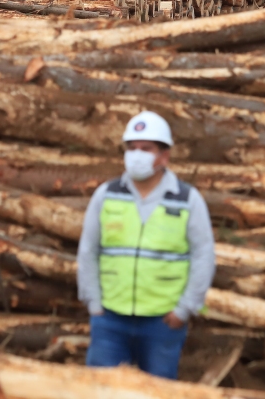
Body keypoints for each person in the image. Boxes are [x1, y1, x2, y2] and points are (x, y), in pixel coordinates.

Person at [77, 112, 216, 379]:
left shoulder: (187, 199)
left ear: (164, 155)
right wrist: (94, 303)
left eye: (146, 149)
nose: (136, 155)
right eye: (131, 148)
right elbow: (88, 250)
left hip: (162, 321)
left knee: (157, 392)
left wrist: (185, 309)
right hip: (110, 318)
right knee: (99, 391)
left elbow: (203, 256)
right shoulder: (107, 195)